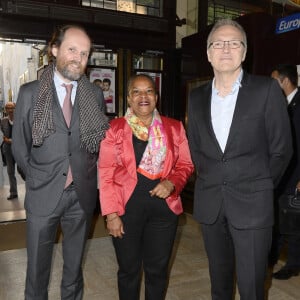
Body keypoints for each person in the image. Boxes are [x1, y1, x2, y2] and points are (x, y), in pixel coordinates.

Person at [188, 19, 292, 300]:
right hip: (211, 205)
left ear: (245, 53)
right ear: (208, 53)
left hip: (253, 206)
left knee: (251, 287)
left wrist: (259, 185)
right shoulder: (196, 98)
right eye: (218, 43)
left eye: (234, 43)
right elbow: (195, 147)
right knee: (219, 284)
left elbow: (282, 150)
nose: (225, 49)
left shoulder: (266, 90)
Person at [12, 24, 109, 300]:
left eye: (85, 53)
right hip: (43, 194)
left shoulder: (94, 95)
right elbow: (20, 145)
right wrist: (38, 178)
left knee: (74, 269)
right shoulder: (30, 93)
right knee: (37, 272)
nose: (78, 58)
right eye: (72, 50)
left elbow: (96, 145)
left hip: (81, 196)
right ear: (55, 50)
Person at [98, 73, 194, 300]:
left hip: (164, 211)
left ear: (156, 96)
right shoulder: (114, 128)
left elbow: (186, 164)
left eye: (149, 91)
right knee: (129, 270)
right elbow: (105, 173)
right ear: (129, 99)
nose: (144, 96)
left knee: (157, 271)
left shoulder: (174, 127)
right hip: (125, 211)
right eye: (137, 92)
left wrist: (172, 183)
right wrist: (111, 214)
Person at [269, 64, 300, 280]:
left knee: (294, 223)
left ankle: (293, 264)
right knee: (278, 218)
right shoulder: (279, 105)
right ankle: (270, 259)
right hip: (280, 174)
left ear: (285, 80)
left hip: (296, 177)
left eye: (274, 81)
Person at [1, 102, 18, 199]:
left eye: (12, 108)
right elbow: (3, 134)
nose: (10, 110)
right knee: (10, 171)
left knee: (23, 171)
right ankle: (13, 192)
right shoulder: (3, 121)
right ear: (5, 109)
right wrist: (6, 140)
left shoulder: (20, 119)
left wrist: (10, 140)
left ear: (16, 108)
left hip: (20, 149)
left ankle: (31, 190)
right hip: (8, 149)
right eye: (8, 108)